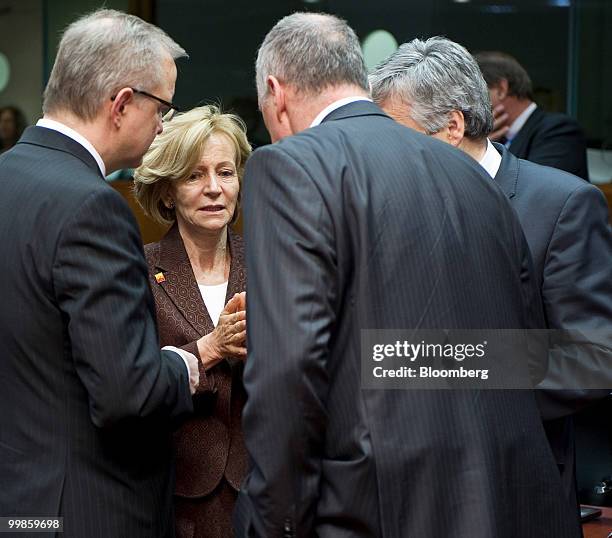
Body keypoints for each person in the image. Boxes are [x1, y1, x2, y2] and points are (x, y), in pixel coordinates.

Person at [234, 12, 579, 538]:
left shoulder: (290, 165)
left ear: (276, 93)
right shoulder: (472, 171)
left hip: (372, 505)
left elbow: (290, 370)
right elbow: (516, 350)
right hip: (498, 497)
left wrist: (275, 521)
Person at [369, 35, 612, 527]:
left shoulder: (561, 205)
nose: (386, 154)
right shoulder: (392, 206)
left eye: (398, 135)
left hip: (520, 485)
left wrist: (451, 365)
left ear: (453, 126)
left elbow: (594, 358)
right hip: (408, 489)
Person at [0, 9, 202, 538]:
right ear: (121, 104)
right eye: (162, 106)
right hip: (85, 509)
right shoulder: (94, 207)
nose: (164, 124)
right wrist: (183, 367)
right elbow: (126, 397)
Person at [133, 105, 251, 538]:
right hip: (173, 494)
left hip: (261, 492)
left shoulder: (271, 263)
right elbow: (130, 381)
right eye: (194, 176)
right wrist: (212, 346)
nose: (214, 189)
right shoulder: (140, 269)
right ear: (167, 192)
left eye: (225, 172)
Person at [474, 50, 590, 181]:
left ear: (501, 89)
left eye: (474, 93)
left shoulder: (559, 131)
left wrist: (482, 150)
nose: (469, 104)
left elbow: (531, 189)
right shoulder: (494, 137)